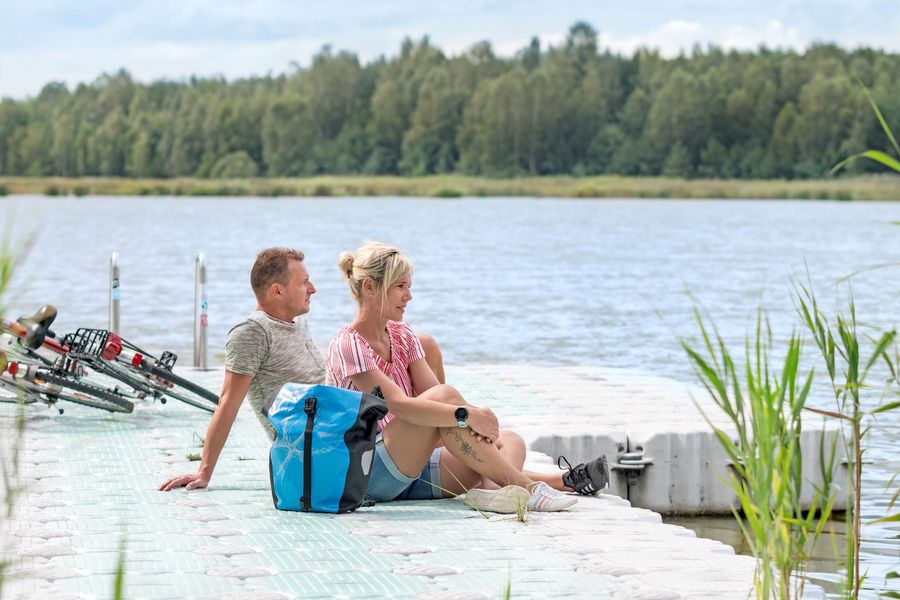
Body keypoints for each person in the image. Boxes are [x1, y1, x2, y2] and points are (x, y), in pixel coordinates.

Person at [325, 242, 609, 513]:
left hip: (412, 469)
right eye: (400, 287)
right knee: (449, 402)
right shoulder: (348, 345)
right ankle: (530, 488)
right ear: (370, 287)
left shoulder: (402, 335)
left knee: (510, 441)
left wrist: (477, 425)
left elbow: (435, 398)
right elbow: (400, 405)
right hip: (367, 472)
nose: (408, 296)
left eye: (409, 287)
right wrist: (468, 416)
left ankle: (495, 494)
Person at [159, 247, 448, 492]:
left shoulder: (296, 323)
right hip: (316, 449)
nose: (313, 288)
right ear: (277, 290)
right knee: (442, 402)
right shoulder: (252, 332)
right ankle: (444, 430)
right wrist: (204, 472)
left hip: (343, 431)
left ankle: (442, 437)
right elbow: (228, 402)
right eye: (304, 282)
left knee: (424, 344)